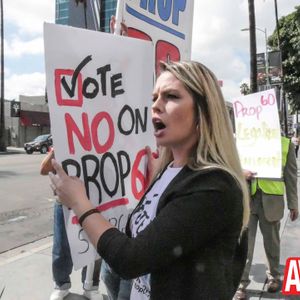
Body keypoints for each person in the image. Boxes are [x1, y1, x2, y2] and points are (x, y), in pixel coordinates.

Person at [49, 60, 250, 299]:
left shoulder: (215, 187)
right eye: (154, 97)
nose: (156, 105)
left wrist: (80, 203)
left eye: (171, 96)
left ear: (203, 111)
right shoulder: (169, 171)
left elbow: (131, 259)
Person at [234, 136, 299, 300]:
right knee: (244, 244)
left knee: (272, 242)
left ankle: (274, 277)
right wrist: (240, 173)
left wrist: (293, 203)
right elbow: (229, 167)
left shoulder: (285, 144)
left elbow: (291, 175)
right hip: (247, 199)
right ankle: (240, 285)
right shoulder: (242, 139)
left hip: (272, 201)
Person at [40, 149, 103, 300]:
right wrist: (56, 150)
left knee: (95, 244)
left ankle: (91, 285)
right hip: (65, 203)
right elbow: (43, 169)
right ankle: (61, 284)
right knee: (62, 245)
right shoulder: (64, 136)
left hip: (96, 200)